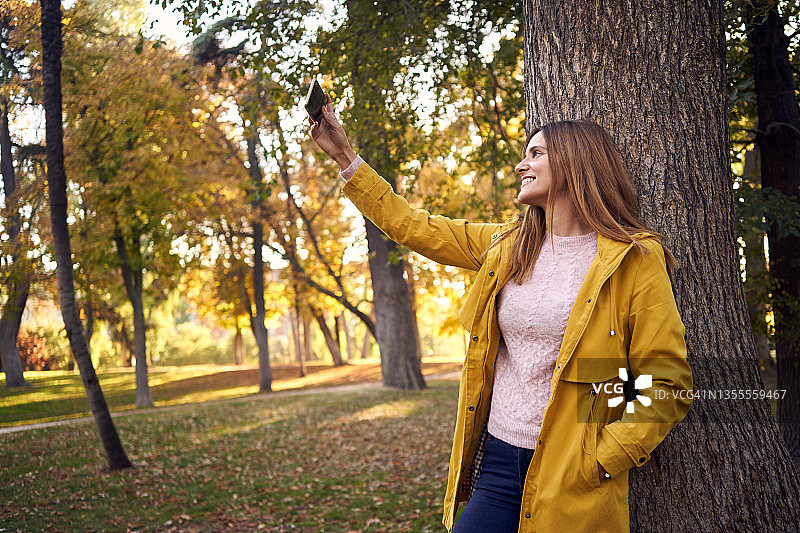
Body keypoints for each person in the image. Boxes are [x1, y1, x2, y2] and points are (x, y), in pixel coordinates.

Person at [309, 94, 693, 533]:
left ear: (573, 163)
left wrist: (606, 455)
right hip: (497, 462)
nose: (520, 165)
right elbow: (412, 225)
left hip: (572, 471)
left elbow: (667, 380)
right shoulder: (507, 246)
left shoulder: (633, 259)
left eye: (535, 153)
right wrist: (343, 154)